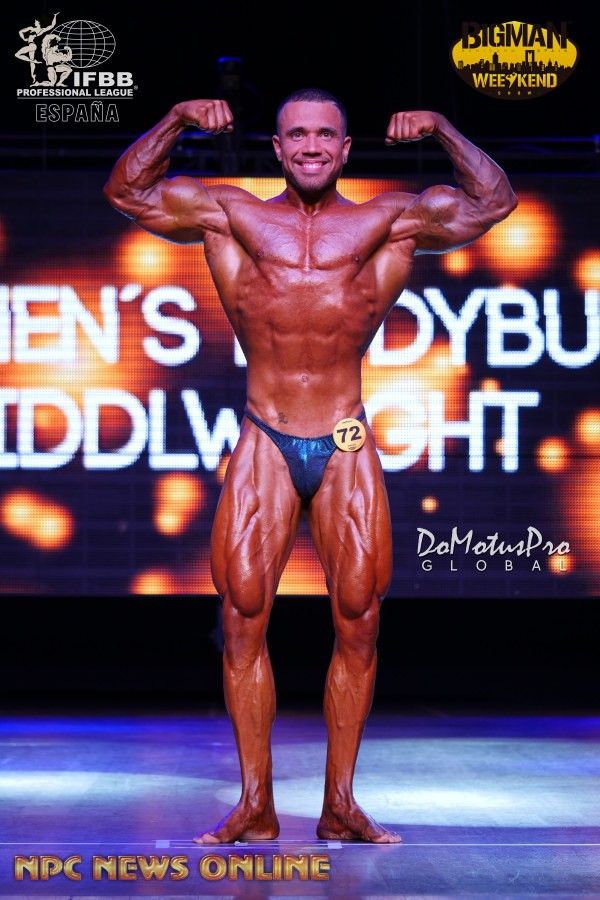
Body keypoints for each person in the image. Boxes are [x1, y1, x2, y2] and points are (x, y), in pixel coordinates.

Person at [104, 88, 517, 843]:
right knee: (241, 620)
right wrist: (177, 119)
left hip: (345, 437)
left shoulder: (388, 220)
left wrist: (441, 127)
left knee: (360, 620)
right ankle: (255, 804)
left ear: (346, 148)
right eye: (297, 135)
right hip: (265, 432)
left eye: (326, 134)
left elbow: (493, 203)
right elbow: (127, 191)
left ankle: (341, 804)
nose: (312, 146)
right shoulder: (231, 215)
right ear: (278, 147)